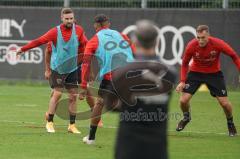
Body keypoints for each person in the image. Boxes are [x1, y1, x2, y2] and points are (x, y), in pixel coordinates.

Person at [16, 7, 87, 133]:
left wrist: (83, 59)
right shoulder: (55, 32)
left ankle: (72, 125)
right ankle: (49, 122)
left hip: (72, 68)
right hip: (57, 68)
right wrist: (23, 49)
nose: (69, 21)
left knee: (73, 97)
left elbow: (84, 45)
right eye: (67, 19)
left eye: (71, 18)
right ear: (62, 18)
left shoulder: (79, 30)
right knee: (58, 93)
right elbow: (39, 41)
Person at [114, 20, 176, 159]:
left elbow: (114, 105)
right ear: (157, 42)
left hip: (127, 146)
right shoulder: (170, 72)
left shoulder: (123, 72)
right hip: (157, 147)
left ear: (134, 41)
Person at [80, 14, 135, 144]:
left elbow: (86, 63)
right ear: (108, 24)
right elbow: (133, 51)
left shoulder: (94, 40)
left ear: (95, 26)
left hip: (110, 77)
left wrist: (83, 86)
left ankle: (91, 138)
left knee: (99, 103)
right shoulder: (122, 35)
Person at [175, 25, 240, 136]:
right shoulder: (191, 45)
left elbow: (234, 56)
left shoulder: (218, 43)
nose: (200, 40)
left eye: (203, 37)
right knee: (183, 101)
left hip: (214, 74)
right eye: (198, 37)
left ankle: (230, 123)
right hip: (195, 73)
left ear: (208, 36)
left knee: (224, 103)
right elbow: (185, 63)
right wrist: (182, 81)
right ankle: (186, 117)